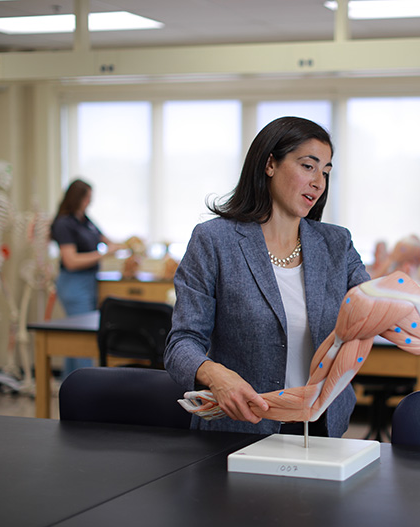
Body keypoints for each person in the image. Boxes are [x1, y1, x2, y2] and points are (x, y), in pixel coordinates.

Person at [165, 116, 370, 437]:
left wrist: (398, 303)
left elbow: (373, 302)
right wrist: (217, 376)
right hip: (240, 429)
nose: (319, 182)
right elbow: (181, 344)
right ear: (270, 164)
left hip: (321, 429)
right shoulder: (215, 240)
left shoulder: (336, 243)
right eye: (308, 166)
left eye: (326, 172)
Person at [51, 179, 121, 377]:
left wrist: (127, 245)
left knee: (76, 338)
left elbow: (106, 240)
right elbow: (71, 260)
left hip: (89, 281)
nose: (90, 201)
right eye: (87, 197)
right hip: (73, 283)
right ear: (77, 198)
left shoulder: (84, 220)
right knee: (83, 337)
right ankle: (86, 384)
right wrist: (104, 254)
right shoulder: (64, 223)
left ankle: (70, 383)